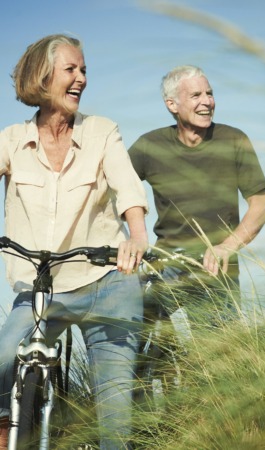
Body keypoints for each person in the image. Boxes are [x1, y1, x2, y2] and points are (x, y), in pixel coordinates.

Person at [0, 34, 148, 449]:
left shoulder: (102, 132)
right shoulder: (11, 140)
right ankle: (8, 430)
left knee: (115, 420)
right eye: (71, 69)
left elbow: (127, 187)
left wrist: (137, 237)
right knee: (2, 355)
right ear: (43, 78)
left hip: (109, 283)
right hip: (41, 290)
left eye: (84, 70)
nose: (81, 78)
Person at [128, 65, 265, 323]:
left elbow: (261, 206)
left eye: (210, 93)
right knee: (137, 337)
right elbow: (117, 188)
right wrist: (134, 236)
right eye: (196, 95)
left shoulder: (234, 140)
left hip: (215, 267)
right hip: (165, 263)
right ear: (172, 104)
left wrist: (227, 246)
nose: (207, 101)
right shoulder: (149, 146)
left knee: (217, 357)